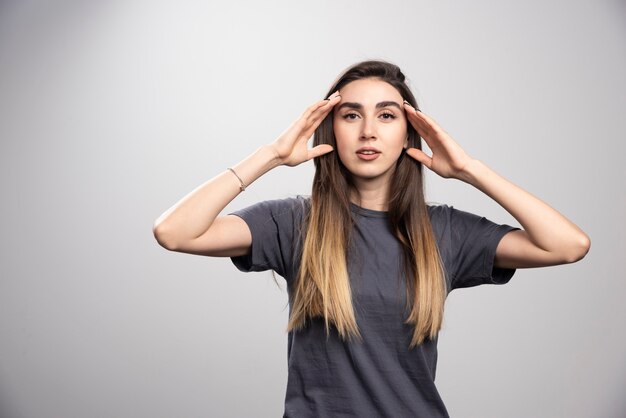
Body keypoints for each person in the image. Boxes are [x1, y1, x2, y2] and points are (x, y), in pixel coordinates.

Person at [152, 60, 590, 417]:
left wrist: (470, 169)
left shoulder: (445, 231)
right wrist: (270, 155)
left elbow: (568, 245)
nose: (368, 131)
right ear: (331, 129)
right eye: (350, 115)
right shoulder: (293, 222)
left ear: (407, 133)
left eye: (386, 115)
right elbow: (174, 232)